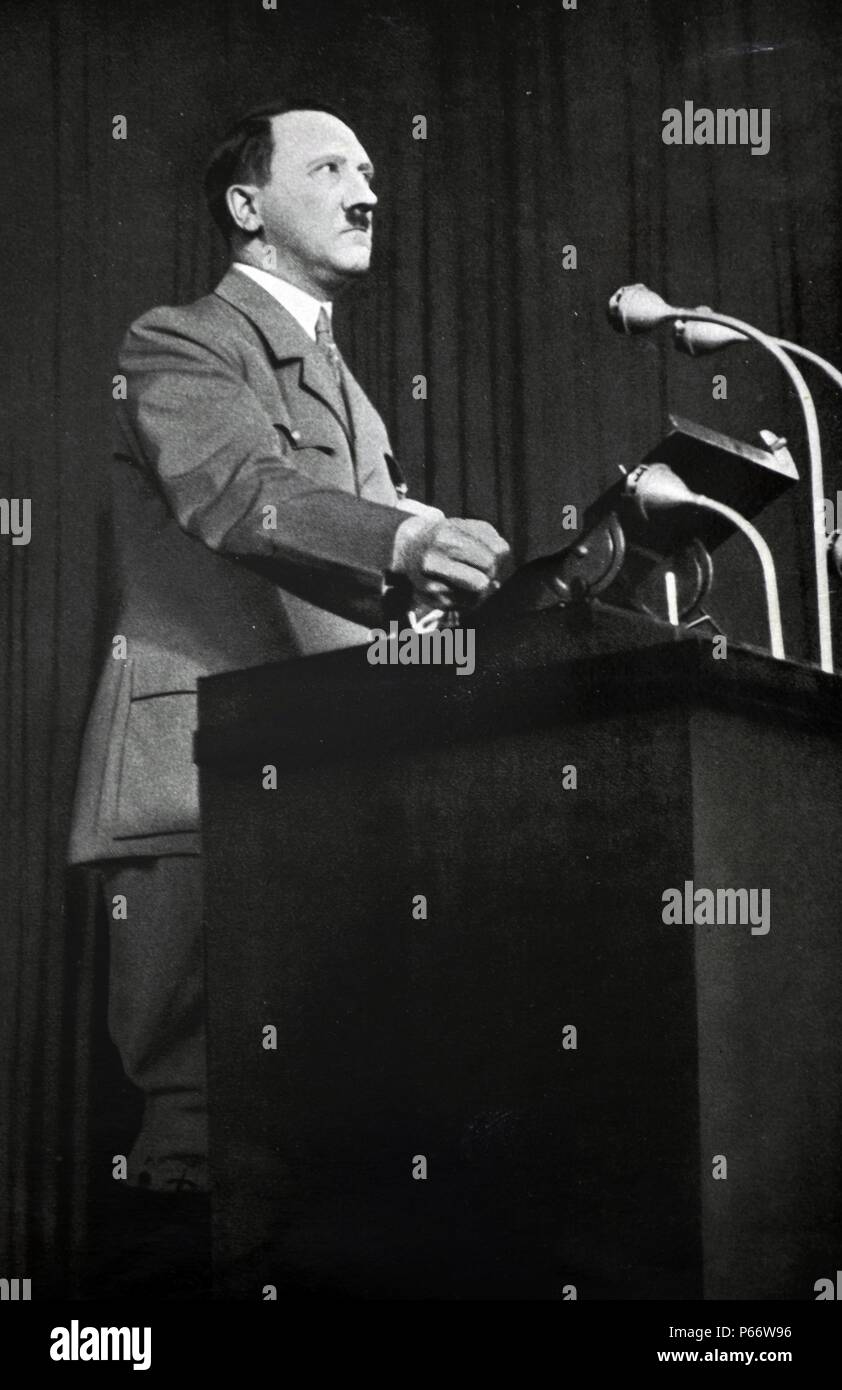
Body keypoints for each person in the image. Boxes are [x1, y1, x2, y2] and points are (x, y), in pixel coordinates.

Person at [68, 100, 512, 1208]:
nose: (368, 190)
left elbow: (358, 589)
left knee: (311, 1150)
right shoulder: (178, 340)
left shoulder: (350, 392)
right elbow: (240, 494)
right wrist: (407, 537)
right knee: (197, 1145)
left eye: (370, 168)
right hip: (200, 785)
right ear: (246, 206)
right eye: (329, 168)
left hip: (324, 787)